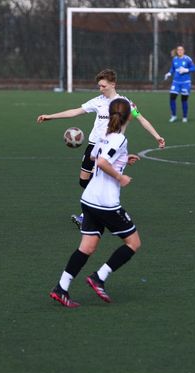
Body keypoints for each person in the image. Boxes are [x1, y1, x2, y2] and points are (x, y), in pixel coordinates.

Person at [36, 68, 165, 228]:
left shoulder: (124, 103)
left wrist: (157, 136)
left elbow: (141, 119)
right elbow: (76, 111)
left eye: (103, 86)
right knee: (83, 181)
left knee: (97, 180)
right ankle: (99, 210)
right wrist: (50, 116)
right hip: (93, 145)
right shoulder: (98, 101)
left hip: (110, 147)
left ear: (113, 84)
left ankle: (88, 215)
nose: (100, 89)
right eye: (99, 86)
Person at [49, 98, 141, 308]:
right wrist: (120, 177)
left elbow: (94, 156)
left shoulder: (104, 135)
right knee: (133, 243)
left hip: (88, 199)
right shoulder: (120, 139)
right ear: (128, 116)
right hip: (105, 203)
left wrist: (122, 160)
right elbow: (101, 161)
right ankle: (99, 277)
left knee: (87, 247)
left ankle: (61, 288)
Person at [164, 45, 195, 123]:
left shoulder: (187, 59)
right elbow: (172, 68)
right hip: (176, 82)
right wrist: (169, 73)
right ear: (177, 51)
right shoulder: (175, 59)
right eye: (178, 50)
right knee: (172, 98)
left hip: (185, 83)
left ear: (184, 51)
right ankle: (173, 116)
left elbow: (194, 68)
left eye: (181, 50)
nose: (180, 51)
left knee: (184, 99)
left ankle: (184, 117)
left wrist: (186, 70)